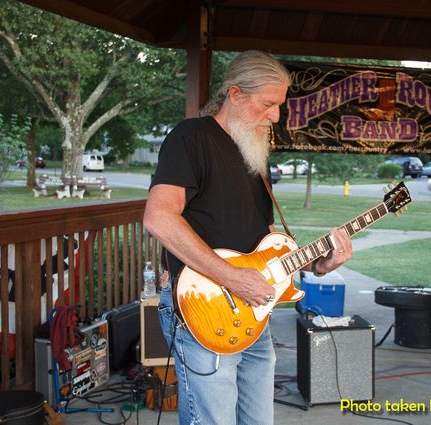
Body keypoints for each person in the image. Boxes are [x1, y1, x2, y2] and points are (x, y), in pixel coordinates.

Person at [143, 50, 352, 425]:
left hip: (253, 311)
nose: (275, 116)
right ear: (236, 95)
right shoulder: (191, 137)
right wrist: (230, 276)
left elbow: (265, 240)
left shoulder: (254, 150)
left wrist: (317, 264)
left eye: (279, 106)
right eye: (268, 104)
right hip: (204, 305)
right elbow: (159, 217)